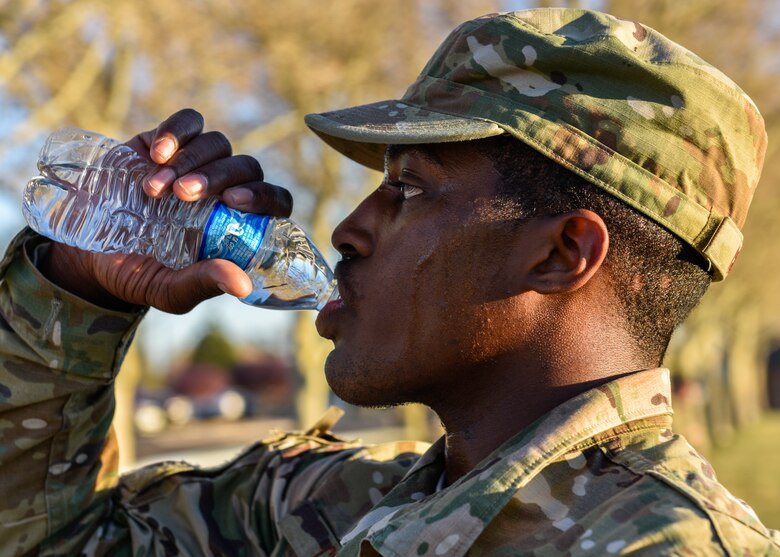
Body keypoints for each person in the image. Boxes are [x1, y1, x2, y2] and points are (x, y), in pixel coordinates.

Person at [0, 8, 778, 556]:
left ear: (563, 252)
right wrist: (82, 283)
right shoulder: (323, 505)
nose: (349, 229)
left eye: (407, 190)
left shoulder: (666, 545)